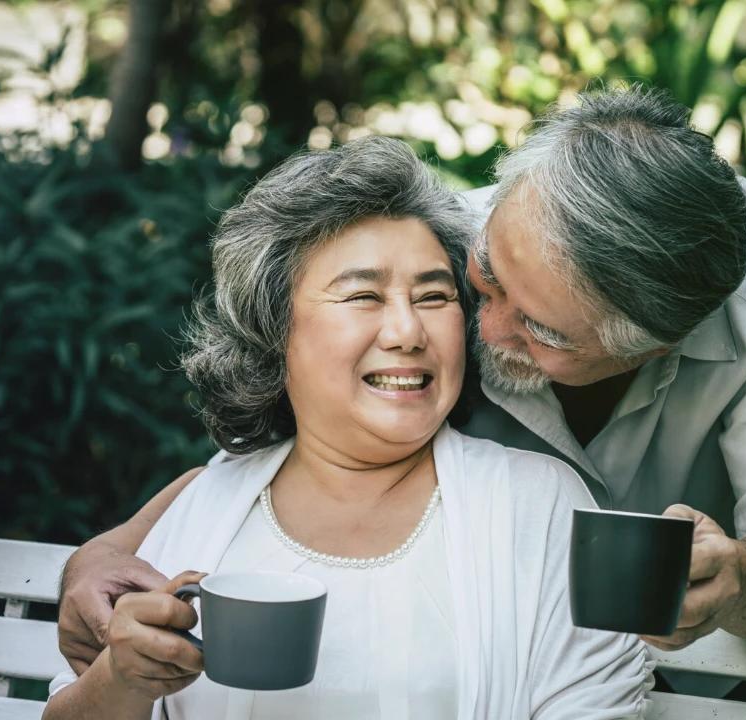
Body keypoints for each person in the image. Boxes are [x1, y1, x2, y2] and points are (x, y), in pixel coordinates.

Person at [58, 85, 746, 710]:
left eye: (541, 329)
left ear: (652, 348)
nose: (477, 323)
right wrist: (113, 547)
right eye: (480, 280)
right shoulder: (462, 239)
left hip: (702, 671)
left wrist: (740, 579)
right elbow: (312, 437)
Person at [42, 136, 654, 720]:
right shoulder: (205, 507)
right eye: (363, 296)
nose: (407, 332)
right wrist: (121, 680)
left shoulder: (538, 507)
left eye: (435, 297)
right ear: (275, 330)